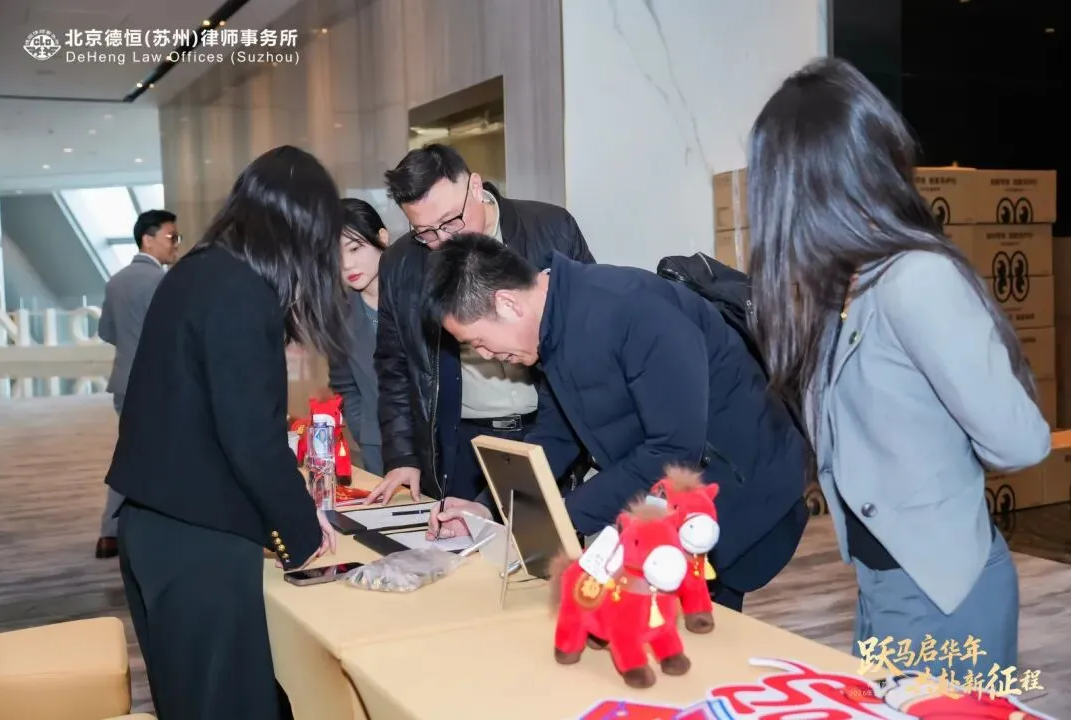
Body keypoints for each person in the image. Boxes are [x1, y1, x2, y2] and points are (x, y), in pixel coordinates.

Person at [744, 58, 1050, 674]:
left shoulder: (915, 281)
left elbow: (1021, 441)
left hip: (942, 595)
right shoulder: (847, 286)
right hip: (883, 587)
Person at [421, 234, 810, 612]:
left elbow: (673, 452)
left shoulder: (632, 310)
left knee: (700, 630)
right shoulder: (556, 323)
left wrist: (562, 517)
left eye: (479, 342)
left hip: (736, 491)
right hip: (674, 500)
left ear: (507, 303)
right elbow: (557, 435)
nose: (489, 356)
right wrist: (489, 510)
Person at [104, 146, 345, 720]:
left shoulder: (198, 270)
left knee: (190, 700)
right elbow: (251, 437)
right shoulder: (240, 290)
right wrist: (302, 532)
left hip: (155, 525)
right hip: (196, 542)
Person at [367, 143, 595, 505]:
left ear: (475, 186)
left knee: (550, 538)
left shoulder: (551, 228)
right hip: (461, 443)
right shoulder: (401, 262)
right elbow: (393, 365)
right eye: (425, 232)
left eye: (450, 222)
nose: (443, 240)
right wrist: (403, 455)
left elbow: (590, 333)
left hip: (549, 428)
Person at [94, 209, 180, 559]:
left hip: (123, 382)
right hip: (155, 385)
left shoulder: (115, 281)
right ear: (148, 239)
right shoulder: (162, 282)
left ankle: (112, 532)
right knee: (156, 455)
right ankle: (132, 531)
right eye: (172, 237)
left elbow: (105, 332)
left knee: (133, 452)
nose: (176, 244)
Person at [327, 198, 389, 475]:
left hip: (438, 443)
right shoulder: (339, 316)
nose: (347, 265)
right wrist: (365, 430)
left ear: (382, 238)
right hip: (379, 446)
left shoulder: (416, 295)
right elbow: (344, 385)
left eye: (355, 248)